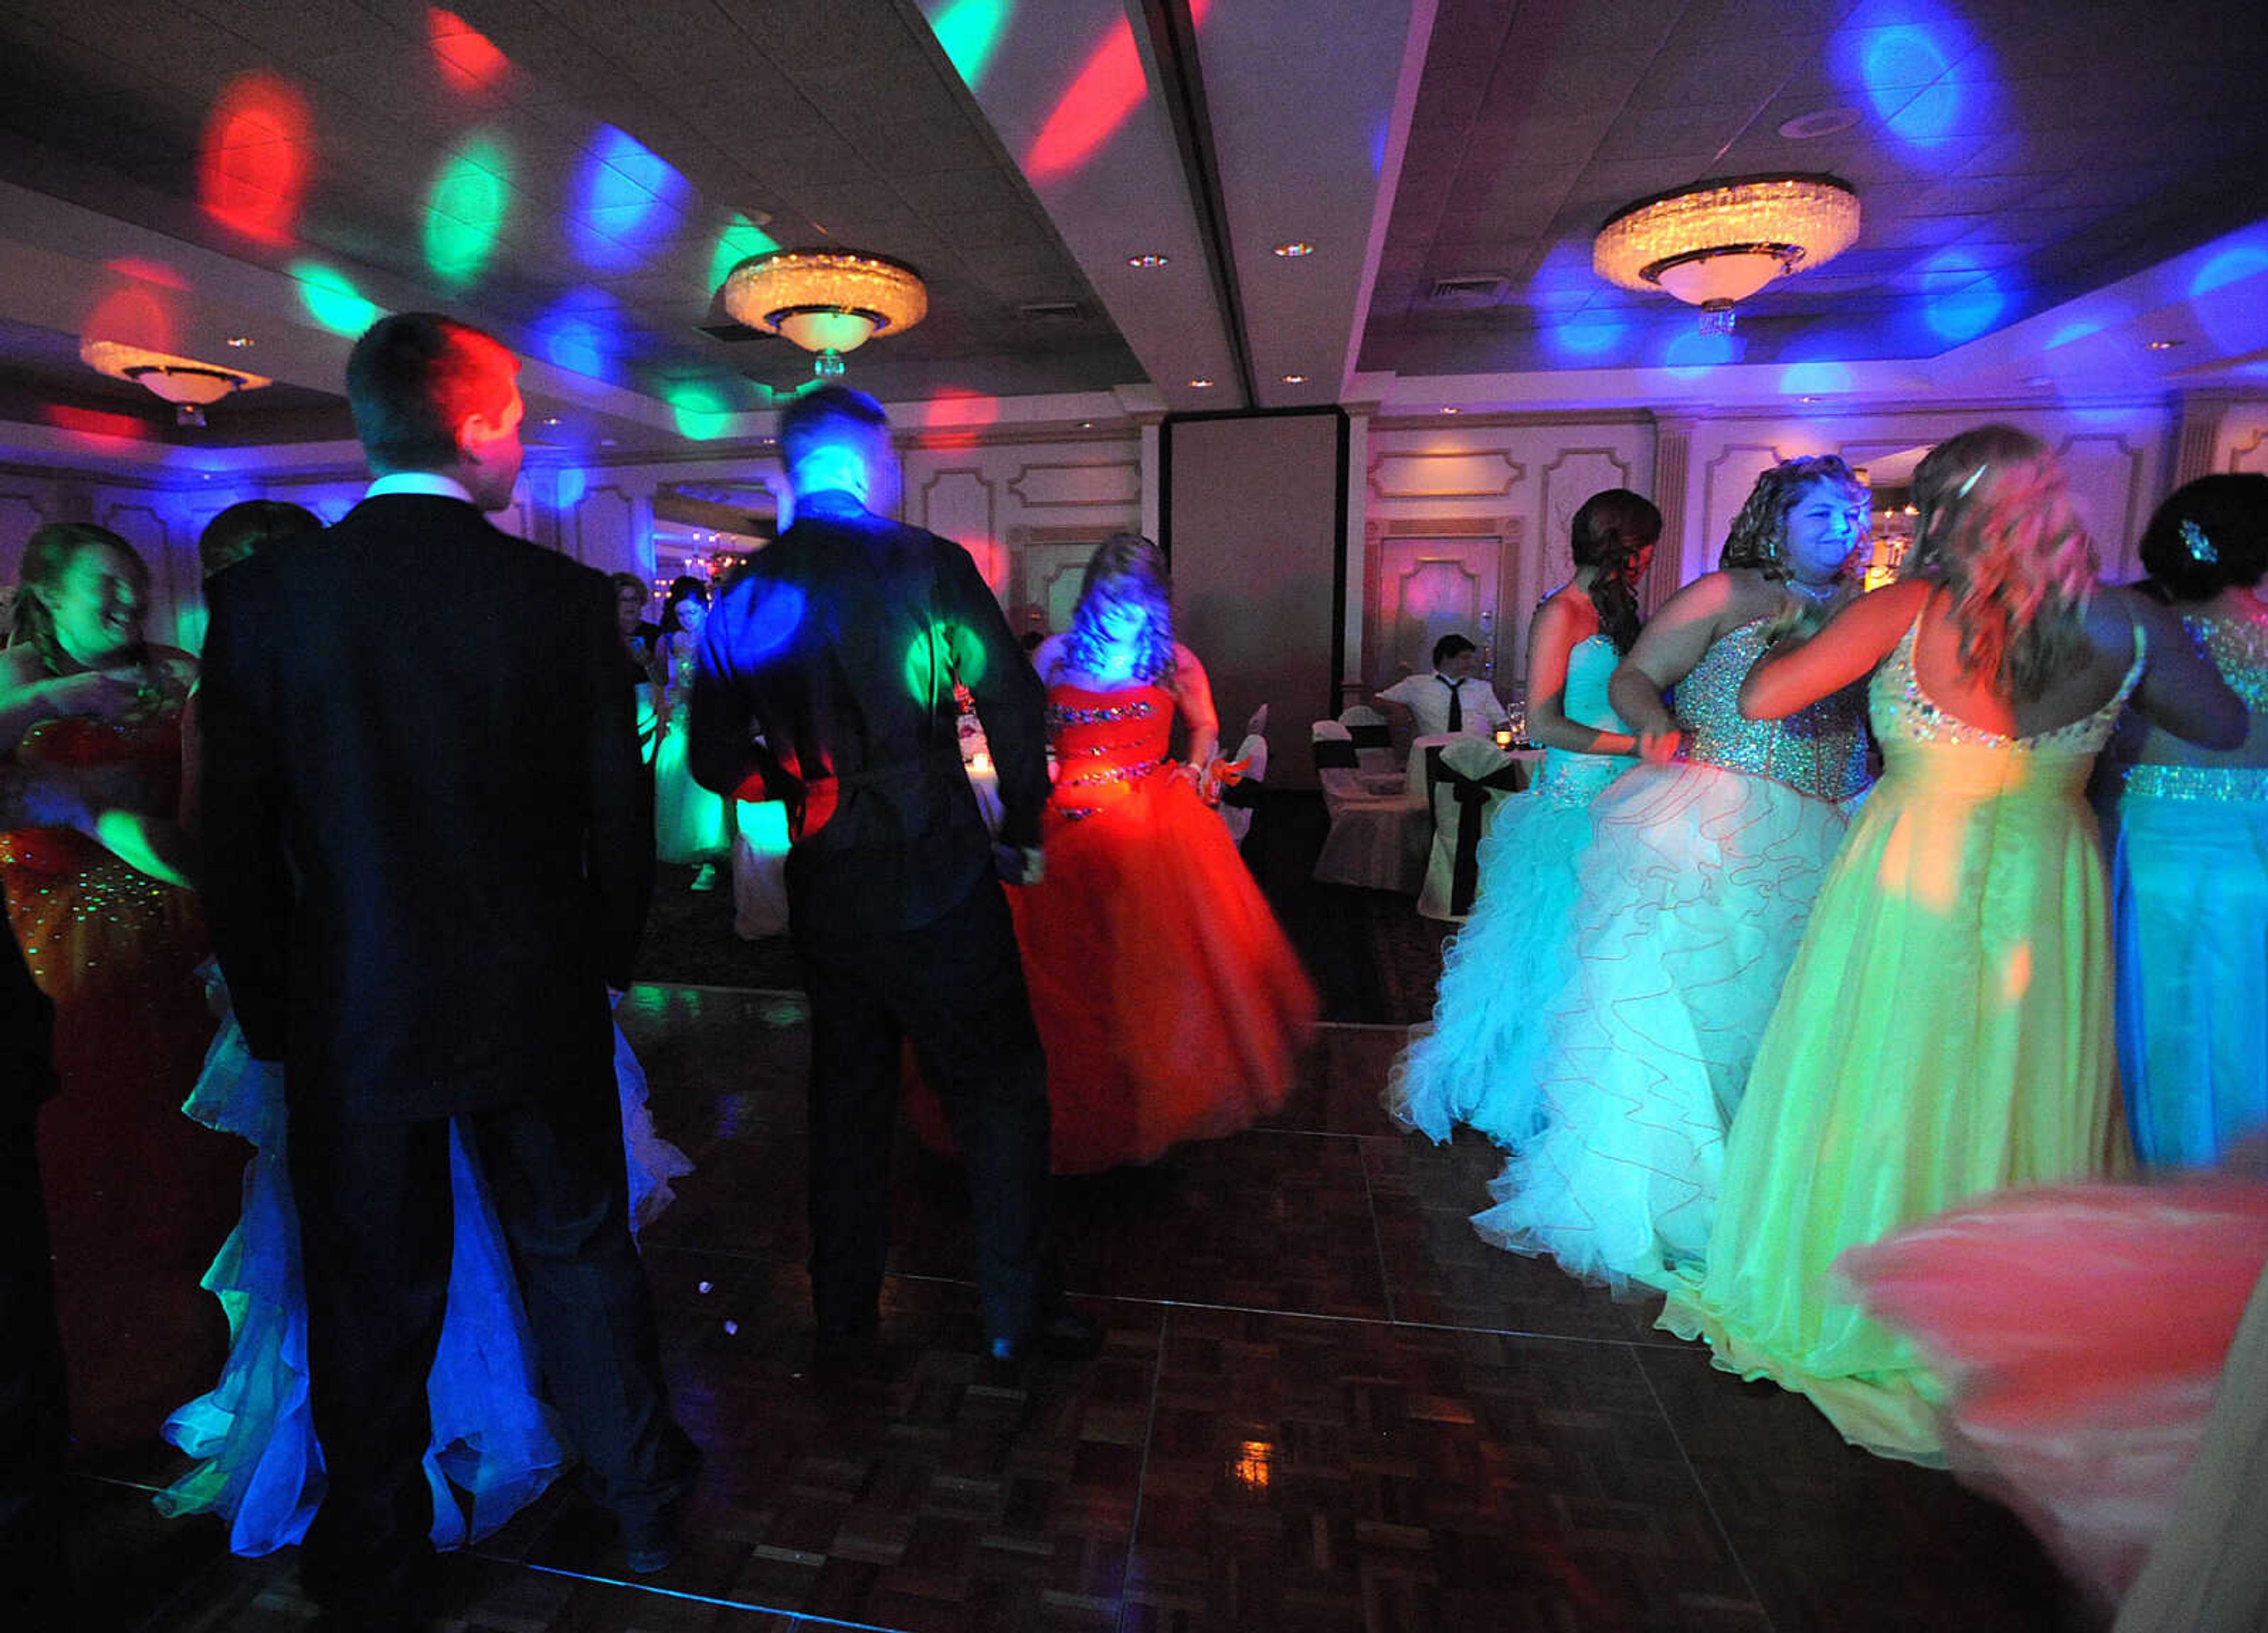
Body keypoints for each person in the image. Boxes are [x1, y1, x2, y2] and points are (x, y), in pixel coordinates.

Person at [199, 312, 696, 1616]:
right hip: (531, 989)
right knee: (579, 1251)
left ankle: (375, 1550)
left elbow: (232, 837)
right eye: (518, 417)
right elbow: (618, 815)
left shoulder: (264, 600)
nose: (525, 439)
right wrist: (607, 963)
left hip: (349, 1003)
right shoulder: (558, 598)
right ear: (474, 427)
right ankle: (643, 1504)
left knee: (371, 1282)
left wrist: (269, 1008)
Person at [1657, 425, 2244, 1462]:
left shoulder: (1912, 605)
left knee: (1883, 1069)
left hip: (1912, 873)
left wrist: (1820, 633)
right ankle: (2011, 1317)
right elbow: (2225, 727)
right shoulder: (2122, 620)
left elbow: (1762, 698)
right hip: (2048, 884)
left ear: (1938, 512)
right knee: (2023, 1080)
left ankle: (1869, 1289)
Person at [687, 383, 1093, 1377]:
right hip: (940, 873)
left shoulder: (740, 594)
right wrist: (1026, 828)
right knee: (998, 1094)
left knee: (847, 1101)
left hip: (828, 887)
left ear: (793, 468)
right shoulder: (924, 563)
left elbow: (709, 760)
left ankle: (843, 1318)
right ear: (868, 461)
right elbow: (1008, 701)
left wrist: (796, 781)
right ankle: (1013, 1319)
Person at [1470, 458, 1875, 1293]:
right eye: (1822, 514)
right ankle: (1668, 1190)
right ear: (1776, 521)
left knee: (1782, 1007)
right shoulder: (1720, 595)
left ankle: (1767, 1180)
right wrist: (1651, 729)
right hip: (1700, 808)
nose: (1842, 529)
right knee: (1673, 1004)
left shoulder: (1868, 611)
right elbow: (1622, 686)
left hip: (1815, 822)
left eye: (1853, 514)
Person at [910, 533, 1317, 1173]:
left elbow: (1205, 722)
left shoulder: (1174, 659)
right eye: (1111, 596)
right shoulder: (1055, 653)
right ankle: (1052, 1101)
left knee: (1139, 969)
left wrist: (1193, 765)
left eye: (1136, 598)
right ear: (1092, 590)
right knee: (1050, 966)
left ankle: (1138, 1103)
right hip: (1061, 813)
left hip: (1149, 822)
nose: (1123, 609)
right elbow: (1015, 721)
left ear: (1156, 600)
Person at [0, 524, 237, 1450]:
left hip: (181, 935)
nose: (129, 604)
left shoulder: (175, 671)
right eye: (107, 587)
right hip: (64, 946)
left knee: (199, 1136)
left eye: (136, 585)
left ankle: (211, 1347)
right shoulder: (15, 683)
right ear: (47, 594)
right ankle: (116, 1368)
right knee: (100, 1151)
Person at [1386, 489, 1657, 1148]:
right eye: (1645, 544)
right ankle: (1531, 1088)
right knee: (1550, 952)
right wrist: (1637, 744)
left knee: (1609, 953)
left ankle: (1598, 1088)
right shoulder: (1560, 612)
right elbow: (1542, 723)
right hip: (1574, 801)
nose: (1650, 557)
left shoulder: (1623, 614)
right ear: (1622, 545)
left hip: (1633, 800)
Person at [2109, 474, 2268, 1166]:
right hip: (2252, 851)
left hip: (2157, 845)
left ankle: (2167, 1168)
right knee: (2245, 1017)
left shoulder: (2146, 640)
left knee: (2160, 1014)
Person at [650, 576, 732, 885]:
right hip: (679, 721)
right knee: (677, 784)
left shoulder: (717, 637)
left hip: (709, 720)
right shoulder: (668, 641)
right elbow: (660, 680)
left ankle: (710, 855)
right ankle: (691, 852)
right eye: (682, 614)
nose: (687, 620)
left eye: (693, 614)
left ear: (704, 609)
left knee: (705, 793)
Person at [1376, 633, 1510, 738]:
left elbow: (1500, 721)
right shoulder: (1416, 685)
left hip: (1479, 752)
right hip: (1436, 752)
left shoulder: (1482, 688)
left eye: (1472, 659)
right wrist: (1398, 710)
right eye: (1465, 658)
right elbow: (1377, 700)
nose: (1472, 664)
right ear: (1446, 658)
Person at [610, 571, 662, 765]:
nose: (630, 605)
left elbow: (663, 680)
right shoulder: (603, 634)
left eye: (635, 599)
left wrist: (647, 662)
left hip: (646, 711)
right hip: (613, 713)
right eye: (624, 600)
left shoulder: (653, 634)